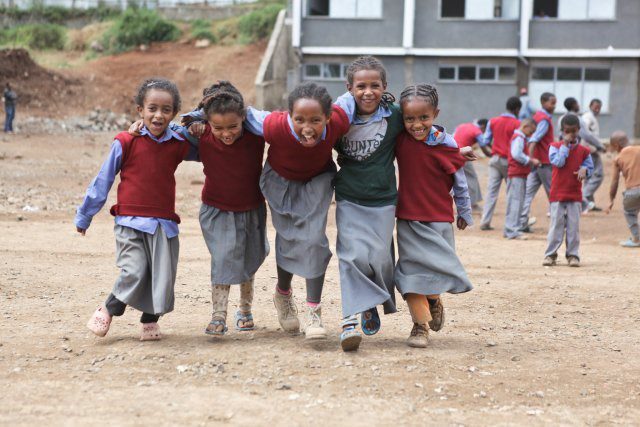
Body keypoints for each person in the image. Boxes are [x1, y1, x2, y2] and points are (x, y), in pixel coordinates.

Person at [79, 78, 196, 341]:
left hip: (163, 223)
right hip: (129, 221)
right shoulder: (125, 141)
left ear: (174, 113)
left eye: (166, 110)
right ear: (139, 111)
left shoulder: (177, 142)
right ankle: (109, 307)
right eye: (152, 108)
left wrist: (192, 124)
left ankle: (149, 320)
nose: (158, 115)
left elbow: (206, 138)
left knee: (162, 277)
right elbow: (103, 179)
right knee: (134, 270)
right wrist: (86, 214)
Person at [258, 82, 351, 340]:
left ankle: (314, 312)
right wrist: (197, 118)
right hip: (280, 178)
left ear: (328, 118)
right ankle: (283, 293)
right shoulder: (274, 125)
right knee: (289, 236)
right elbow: (241, 115)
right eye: (299, 119)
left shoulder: (339, 120)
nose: (307, 127)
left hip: (318, 177)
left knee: (312, 238)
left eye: (315, 120)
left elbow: (355, 97)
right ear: (289, 116)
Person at [181, 81, 269, 336]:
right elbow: (168, 131)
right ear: (208, 122)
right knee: (223, 258)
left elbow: (281, 128)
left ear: (244, 118)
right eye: (218, 127)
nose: (226, 133)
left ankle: (245, 308)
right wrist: (195, 122)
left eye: (233, 126)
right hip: (216, 209)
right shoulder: (202, 134)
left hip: (252, 208)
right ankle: (218, 314)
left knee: (249, 260)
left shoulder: (256, 134)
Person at [393, 83, 474, 348]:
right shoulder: (399, 140)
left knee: (433, 271)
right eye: (409, 119)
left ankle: (433, 299)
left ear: (435, 114)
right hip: (408, 218)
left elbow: (459, 180)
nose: (416, 124)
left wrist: (464, 210)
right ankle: (420, 326)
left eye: (423, 118)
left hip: (439, 219)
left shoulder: (447, 143)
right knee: (409, 274)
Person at [543, 114, 593, 267]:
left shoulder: (584, 151)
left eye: (573, 131)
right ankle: (550, 254)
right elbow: (558, 162)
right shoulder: (554, 147)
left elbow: (590, 167)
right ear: (562, 131)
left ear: (578, 130)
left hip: (574, 194)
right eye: (567, 131)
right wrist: (565, 145)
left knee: (573, 227)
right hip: (558, 194)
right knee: (556, 226)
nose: (570, 134)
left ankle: (573, 255)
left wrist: (585, 170)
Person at [479, 96, 522, 230]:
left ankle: (485, 221)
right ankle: (511, 224)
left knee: (491, 192)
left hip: (495, 159)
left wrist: (493, 149)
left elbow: (485, 140)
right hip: (509, 161)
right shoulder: (517, 124)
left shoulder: (493, 121)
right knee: (512, 193)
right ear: (517, 109)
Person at [519, 92, 557, 232]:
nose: (554, 106)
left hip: (538, 162)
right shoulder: (544, 120)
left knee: (528, 193)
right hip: (544, 162)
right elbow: (534, 139)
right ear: (543, 103)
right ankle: (557, 223)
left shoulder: (537, 116)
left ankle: (522, 222)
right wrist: (529, 158)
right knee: (553, 193)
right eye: (552, 103)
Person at [504, 118, 539, 240]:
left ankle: (510, 229)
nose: (531, 134)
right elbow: (516, 154)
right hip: (517, 174)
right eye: (531, 131)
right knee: (516, 202)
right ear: (526, 126)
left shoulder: (519, 137)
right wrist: (530, 160)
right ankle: (512, 230)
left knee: (514, 201)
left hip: (516, 174)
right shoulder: (519, 138)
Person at [605, 131, 640, 248]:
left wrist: (611, 200)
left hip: (632, 192)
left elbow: (615, 181)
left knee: (630, 213)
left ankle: (636, 238)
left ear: (616, 146)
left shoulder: (618, 158)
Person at [453, 118, 490, 210]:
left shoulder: (463, 125)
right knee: (472, 178)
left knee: (456, 180)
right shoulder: (477, 131)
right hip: (463, 155)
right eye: (486, 129)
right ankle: (473, 205)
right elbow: (484, 146)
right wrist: (492, 154)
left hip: (452, 153)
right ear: (483, 126)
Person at [581, 99, 605, 211]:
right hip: (590, 150)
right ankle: (584, 197)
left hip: (590, 150)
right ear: (590, 105)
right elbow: (585, 134)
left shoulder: (592, 117)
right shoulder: (587, 117)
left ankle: (589, 203)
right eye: (595, 107)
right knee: (598, 175)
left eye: (599, 107)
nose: (597, 109)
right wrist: (594, 147)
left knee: (589, 176)